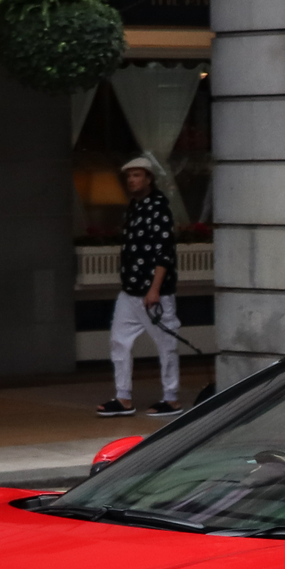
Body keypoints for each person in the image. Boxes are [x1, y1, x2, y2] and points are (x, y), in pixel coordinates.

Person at [99, 157, 182, 418]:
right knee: (118, 341)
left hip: (152, 291)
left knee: (165, 344)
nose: (132, 180)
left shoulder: (159, 208)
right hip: (131, 289)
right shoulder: (134, 208)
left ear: (148, 178)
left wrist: (154, 289)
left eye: (137, 175)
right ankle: (123, 397)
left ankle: (171, 397)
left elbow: (163, 253)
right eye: (129, 176)